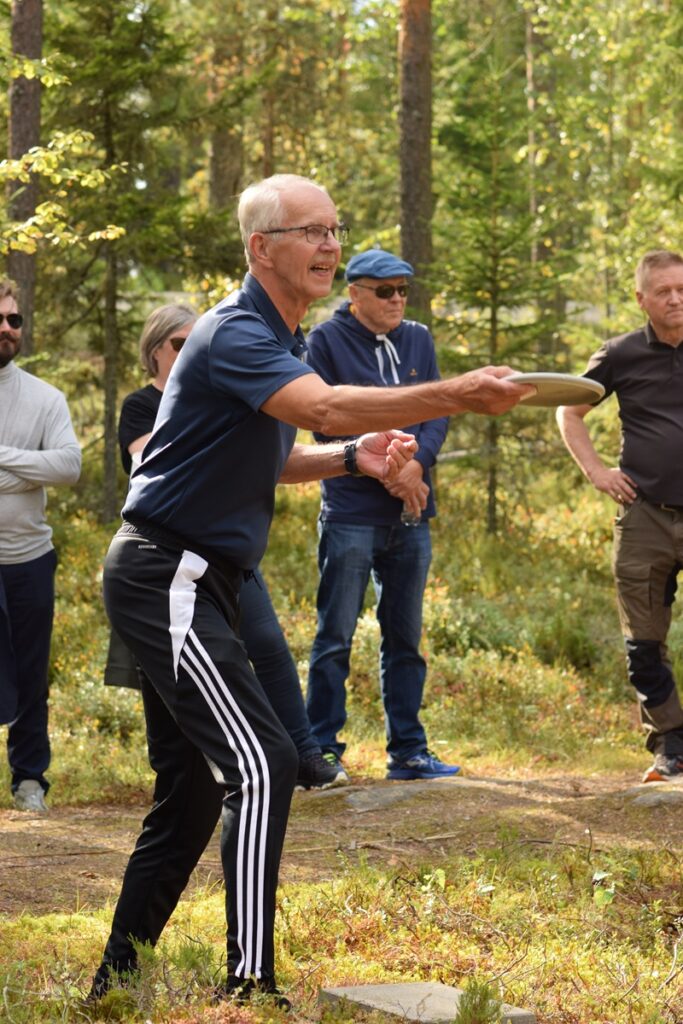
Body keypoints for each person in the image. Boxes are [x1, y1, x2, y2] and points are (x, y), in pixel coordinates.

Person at [89, 173, 531, 1005]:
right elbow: (323, 406)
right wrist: (457, 393)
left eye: (333, 230)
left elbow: (274, 454)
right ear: (262, 248)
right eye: (310, 232)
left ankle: (113, 985)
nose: (329, 245)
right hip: (167, 573)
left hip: (198, 578)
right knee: (265, 763)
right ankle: (248, 986)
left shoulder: (274, 337)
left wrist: (354, 459)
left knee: (190, 798)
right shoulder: (235, 330)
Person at [109, 302, 342, 789]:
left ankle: (304, 752)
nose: (191, 349)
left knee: (269, 647)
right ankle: (190, 775)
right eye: (180, 342)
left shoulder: (224, 389)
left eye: (197, 341)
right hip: (165, 555)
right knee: (170, 680)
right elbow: (150, 460)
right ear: (154, 351)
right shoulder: (142, 405)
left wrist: (354, 455)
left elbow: (271, 455)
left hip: (225, 550)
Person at [305, 249, 456, 782]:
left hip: (411, 511)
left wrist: (416, 466)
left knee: (405, 639)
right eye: (385, 291)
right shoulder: (324, 341)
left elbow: (437, 409)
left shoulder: (418, 338)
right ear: (354, 293)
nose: (397, 300)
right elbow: (324, 421)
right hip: (350, 511)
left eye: (403, 291)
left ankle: (409, 751)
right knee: (335, 638)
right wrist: (392, 470)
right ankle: (322, 750)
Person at [557, 249, 683, 784]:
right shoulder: (620, 354)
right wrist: (596, 471)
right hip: (644, 515)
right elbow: (569, 410)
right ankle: (671, 744)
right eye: (663, 291)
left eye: (682, 289)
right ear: (641, 299)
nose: (675, 299)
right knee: (643, 642)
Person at [0, 280, 81, 813]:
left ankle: (29, 778)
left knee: (31, 672)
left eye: (15, 319)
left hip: (28, 558)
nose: (7, 328)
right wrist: (29, 469)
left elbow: (68, 465)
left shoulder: (45, 398)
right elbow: (46, 467)